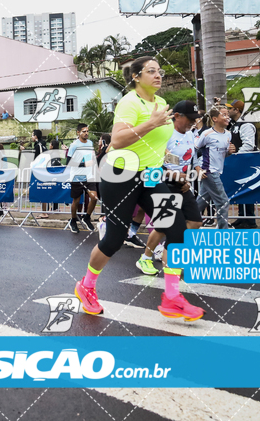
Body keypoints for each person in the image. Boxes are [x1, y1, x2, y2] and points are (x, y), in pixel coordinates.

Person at [74, 56, 204, 322]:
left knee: (178, 230)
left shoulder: (161, 104)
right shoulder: (129, 102)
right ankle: (86, 286)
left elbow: (156, 146)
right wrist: (151, 123)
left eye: (160, 70)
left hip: (151, 176)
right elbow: (119, 139)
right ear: (136, 76)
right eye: (151, 71)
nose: (158, 75)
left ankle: (171, 297)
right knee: (115, 238)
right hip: (120, 174)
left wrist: (171, 170)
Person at [136, 100, 204, 275]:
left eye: (195, 118)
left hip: (182, 185)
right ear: (176, 116)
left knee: (195, 221)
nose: (193, 122)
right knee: (165, 226)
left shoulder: (190, 134)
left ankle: (168, 251)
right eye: (190, 118)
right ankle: (149, 260)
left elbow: (191, 158)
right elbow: (151, 164)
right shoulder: (164, 135)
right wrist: (173, 176)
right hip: (163, 184)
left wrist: (189, 177)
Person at [195, 107, 236, 229]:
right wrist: (197, 168)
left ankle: (184, 223)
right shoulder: (207, 134)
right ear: (215, 119)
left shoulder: (228, 134)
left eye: (228, 114)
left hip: (218, 171)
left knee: (200, 202)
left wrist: (230, 152)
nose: (227, 117)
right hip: (208, 171)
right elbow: (193, 151)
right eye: (224, 115)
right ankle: (223, 232)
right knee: (223, 202)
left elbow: (223, 153)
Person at [227, 100, 258, 228]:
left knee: (247, 189)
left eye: (230, 108)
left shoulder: (246, 125)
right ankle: (242, 216)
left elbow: (249, 145)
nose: (228, 111)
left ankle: (249, 220)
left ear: (237, 110)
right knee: (241, 189)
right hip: (239, 162)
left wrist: (237, 155)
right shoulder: (234, 125)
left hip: (247, 162)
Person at [66, 124, 98, 234]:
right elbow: (69, 162)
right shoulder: (74, 145)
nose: (86, 133)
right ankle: (73, 220)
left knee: (94, 198)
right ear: (78, 132)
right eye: (84, 131)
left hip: (89, 176)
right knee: (77, 201)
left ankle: (87, 217)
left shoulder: (90, 143)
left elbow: (91, 157)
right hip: (77, 177)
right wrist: (84, 164)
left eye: (87, 131)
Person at [23, 130, 50, 218]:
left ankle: (44, 212)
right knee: (44, 190)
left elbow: (34, 157)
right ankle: (45, 211)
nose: (31, 137)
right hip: (45, 170)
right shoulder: (43, 145)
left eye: (32, 135)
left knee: (42, 190)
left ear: (36, 136)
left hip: (40, 171)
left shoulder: (38, 145)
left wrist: (24, 151)